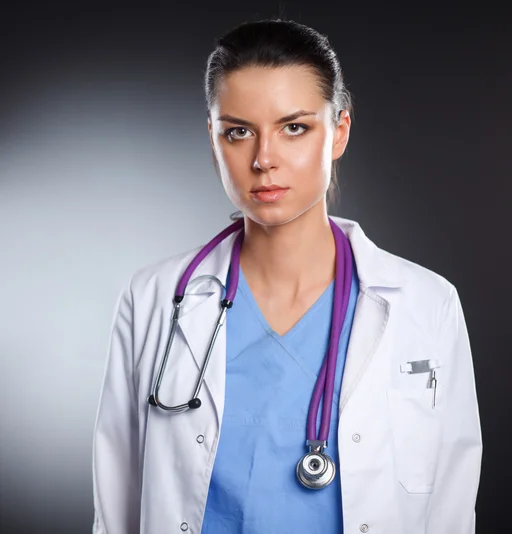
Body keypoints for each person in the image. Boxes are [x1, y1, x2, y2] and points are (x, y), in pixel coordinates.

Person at [92, 18, 482, 534]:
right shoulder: (153, 300)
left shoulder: (426, 304)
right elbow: (116, 503)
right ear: (213, 140)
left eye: (293, 127)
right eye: (238, 132)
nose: (264, 160)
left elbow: (451, 503)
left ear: (339, 131)